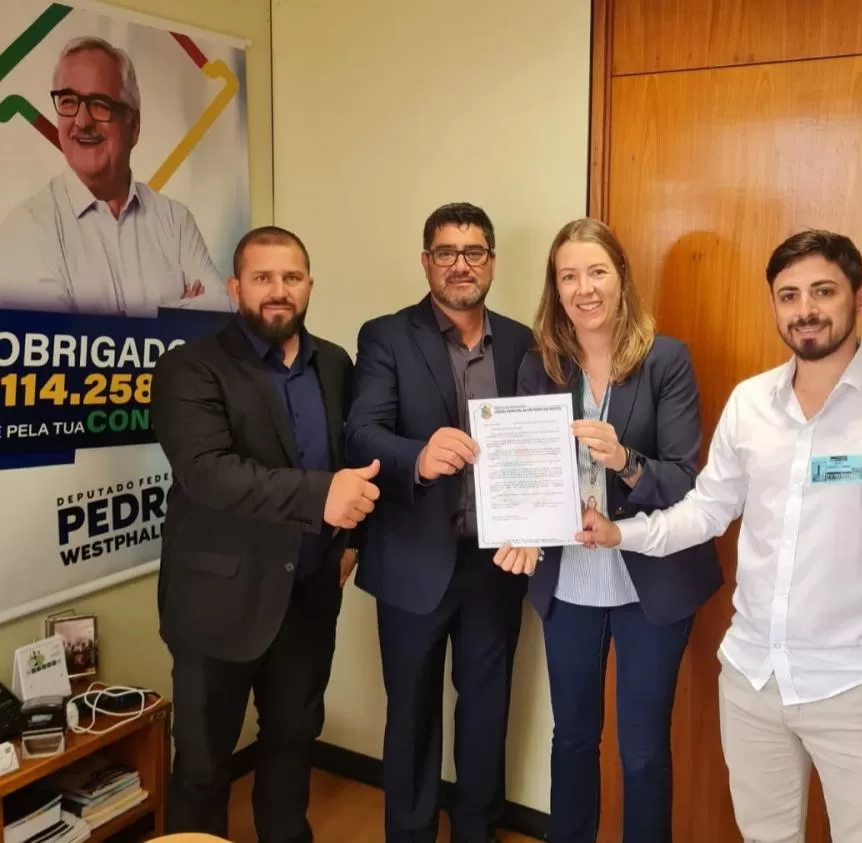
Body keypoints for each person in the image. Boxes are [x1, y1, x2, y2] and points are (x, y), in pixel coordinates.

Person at [577, 229, 862, 843]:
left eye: (824, 291)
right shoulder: (751, 404)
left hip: (858, 686)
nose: (806, 310)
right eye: (789, 295)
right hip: (752, 679)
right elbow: (708, 510)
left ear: (861, 297)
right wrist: (622, 534)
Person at [150, 225, 380, 842]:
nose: (279, 290)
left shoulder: (334, 363)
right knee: (202, 767)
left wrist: (351, 541)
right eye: (263, 278)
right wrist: (322, 496)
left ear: (309, 285)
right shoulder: (189, 368)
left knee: (292, 743)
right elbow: (208, 473)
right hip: (218, 602)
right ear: (235, 288)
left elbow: (352, 457)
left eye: (291, 277)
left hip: (308, 596)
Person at [505, 218, 722, 843]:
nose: (584, 288)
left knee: (644, 747)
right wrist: (521, 525)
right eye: (568, 276)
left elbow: (683, 478)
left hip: (650, 580)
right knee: (572, 738)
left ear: (621, 278)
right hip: (569, 578)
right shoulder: (539, 365)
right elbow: (524, 469)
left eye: (597, 271)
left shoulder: (665, 360)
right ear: (555, 288)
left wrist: (625, 460)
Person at [345, 202, 533, 843]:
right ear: (426, 262)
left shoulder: (523, 342)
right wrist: (418, 458)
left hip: (496, 564)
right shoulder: (386, 336)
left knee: (486, 715)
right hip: (412, 562)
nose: (461, 265)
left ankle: (476, 832)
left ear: (491, 262)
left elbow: (538, 446)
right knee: (412, 717)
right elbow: (361, 432)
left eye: (473, 252)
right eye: (446, 252)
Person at [0, 35, 228, 316]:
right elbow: (56, 339)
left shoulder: (176, 221)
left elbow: (218, 315)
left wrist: (110, 323)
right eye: (68, 102)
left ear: (134, 125)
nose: (82, 121)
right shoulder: (26, 227)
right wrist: (175, 315)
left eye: (100, 104)